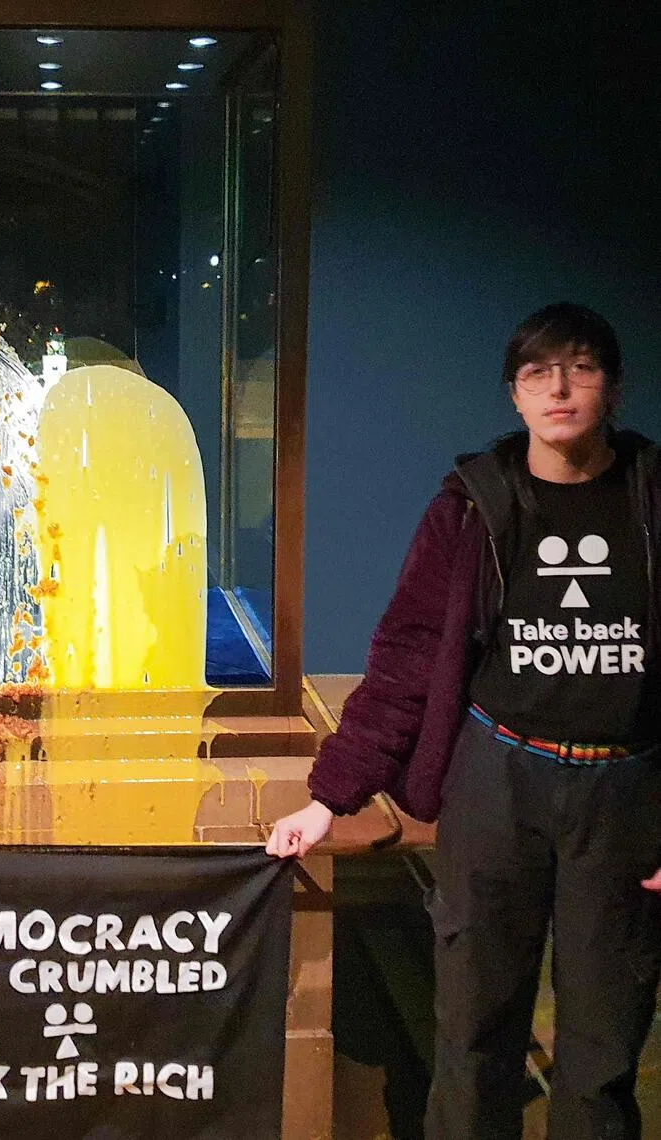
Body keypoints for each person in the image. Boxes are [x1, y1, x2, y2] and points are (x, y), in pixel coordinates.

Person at [268, 303, 661, 1140]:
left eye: (581, 368)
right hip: (498, 782)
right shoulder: (472, 509)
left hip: (626, 794)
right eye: (537, 373)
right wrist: (330, 797)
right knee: (474, 1035)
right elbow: (408, 656)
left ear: (614, 387)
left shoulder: (653, 503)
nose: (559, 388)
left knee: (604, 1050)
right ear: (514, 396)